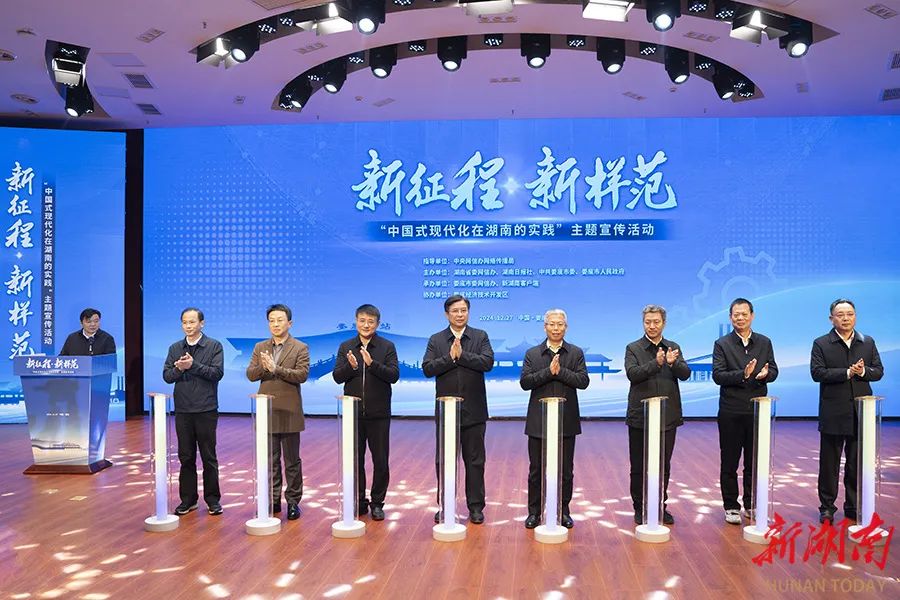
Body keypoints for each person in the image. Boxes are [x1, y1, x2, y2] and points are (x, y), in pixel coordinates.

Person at [422, 294, 494, 524]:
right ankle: (445, 505)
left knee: (475, 461)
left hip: (475, 410)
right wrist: (450, 358)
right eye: (455, 311)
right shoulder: (436, 339)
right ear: (447, 314)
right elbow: (427, 368)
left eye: (463, 310)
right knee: (444, 461)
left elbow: (487, 362)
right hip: (446, 412)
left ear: (468, 312)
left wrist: (462, 356)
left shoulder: (480, 336)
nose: (460, 314)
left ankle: (476, 507)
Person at [811, 298, 883, 524]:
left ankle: (852, 505)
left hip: (861, 412)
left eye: (849, 314)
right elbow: (817, 373)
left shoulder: (867, 342)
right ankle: (827, 507)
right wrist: (847, 373)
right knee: (829, 465)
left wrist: (862, 372)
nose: (845, 318)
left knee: (856, 464)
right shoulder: (821, 343)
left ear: (855, 317)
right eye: (840, 314)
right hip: (833, 412)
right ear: (831, 318)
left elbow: (878, 371)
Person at [519, 309, 589, 530]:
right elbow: (525, 382)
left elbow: (583, 381)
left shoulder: (575, 352)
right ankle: (534, 512)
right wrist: (549, 372)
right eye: (552, 324)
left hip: (566, 420)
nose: (556, 328)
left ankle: (563, 510)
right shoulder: (532, 353)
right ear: (545, 327)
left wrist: (561, 372)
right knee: (536, 470)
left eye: (560, 324)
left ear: (566, 327)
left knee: (565, 470)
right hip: (538, 421)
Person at [712, 298, 778, 525]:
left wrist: (766, 375)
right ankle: (731, 506)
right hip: (731, 411)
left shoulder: (764, 342)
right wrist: (744, 374)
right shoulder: (722, 344)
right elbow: (718, 375)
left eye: (744, 314)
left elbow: (774, 369)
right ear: (730, 318)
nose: (740, 318)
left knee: (754, 462)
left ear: (752, 315)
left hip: (758, 410)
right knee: (729, 462)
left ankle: (752, 504)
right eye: (736, 315)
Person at [624, 304, 691, 526]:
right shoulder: (633, 348)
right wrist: (657, 363)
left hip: (667, 416)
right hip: (640, 416)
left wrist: (673, 363)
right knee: (639, 465)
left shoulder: (673, 347)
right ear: (643, 323)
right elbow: (633, 374)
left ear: (664, 323)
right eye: (648, 322)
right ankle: (640, 507)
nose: (652, 326)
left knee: (663, 464)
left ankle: (660, 506)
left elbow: (685, 373)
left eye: (656, 322)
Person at [332, 304, 399, 521]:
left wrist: (372, 364)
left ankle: (377, 503)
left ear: (377, 324)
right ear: (356, 322)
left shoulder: (387, 346)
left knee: (380, 461)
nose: (366, 325)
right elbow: (337, 377)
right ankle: (359, 501)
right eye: (362, 321)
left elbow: (394, 375)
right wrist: (351, 367)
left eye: (371, 321)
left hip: (379, 414)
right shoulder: (346, 346)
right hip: (353, 414)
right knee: (355, 460)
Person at [247, 304, 310, 521]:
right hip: (267, 410)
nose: (275, 324)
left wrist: (277, 369)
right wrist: (265, 368)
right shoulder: (260, 347)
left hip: (290, 410)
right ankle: (272, 499)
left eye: (280, 320)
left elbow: (302, 375)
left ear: (289, 323)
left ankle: (293, 502)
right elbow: (250, 374)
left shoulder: (300, 347)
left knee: (292, 461)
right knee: (270, 460)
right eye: (272, 320)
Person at [162, 308, 225, 516]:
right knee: (186, 456)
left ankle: (213, 500)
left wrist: (193, 365)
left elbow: (217, 373)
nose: (188, 326)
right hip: (183, 410)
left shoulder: (214, 346)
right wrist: (179, 368)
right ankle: (188, 500)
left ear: (201, 323)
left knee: (209, 456)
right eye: (185, 322)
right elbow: (167, 376)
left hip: (206, 408)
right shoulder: (175, 348)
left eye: (192, 322)